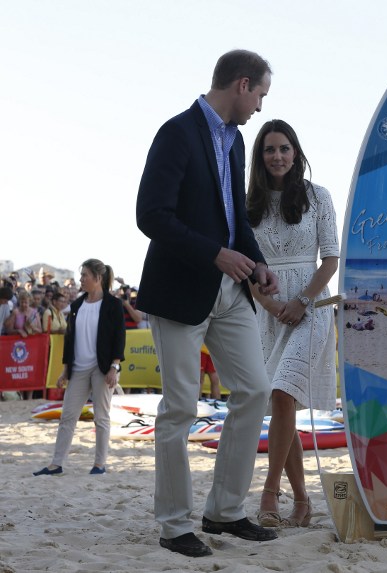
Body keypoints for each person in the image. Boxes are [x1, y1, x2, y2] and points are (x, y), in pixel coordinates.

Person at [135, 49, 279, 557]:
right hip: (178, 290)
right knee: (179, 407)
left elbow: (235, 216)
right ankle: (174, 525)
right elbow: (150, 215)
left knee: (254, 389)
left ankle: (224, 511)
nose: (260, 106)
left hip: (231, 290)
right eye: (261, 94)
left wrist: (256, 261)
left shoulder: (235, 140)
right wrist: (216, 254)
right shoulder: (175, 132)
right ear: (242, 85)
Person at [246, 119, 339, 528]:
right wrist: (271, 306)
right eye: (270, 149)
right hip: (268, 309)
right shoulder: (246, 203)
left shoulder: (318, 197)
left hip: (313, 307)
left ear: (296, 152)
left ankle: (269, 493)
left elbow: (331, 259)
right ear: (260, 157)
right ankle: (302, 500)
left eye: (284, 148)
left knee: (284, 391)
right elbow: (246, 269)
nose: (278, 156)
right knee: (282, 405)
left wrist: (302, 301)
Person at [33, 259, 125, 476]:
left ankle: (99, 464)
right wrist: (66, 369)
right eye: (81, 275)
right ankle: (56, 464)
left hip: (102, 368)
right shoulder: (75, 306)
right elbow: (69, 339)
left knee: (101, 417)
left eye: (84, 275)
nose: (81, 279)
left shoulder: (113, 305)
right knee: (67, 416)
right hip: (78, 369)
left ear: (98, 278)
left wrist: (114, 367)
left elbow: (119, 339)